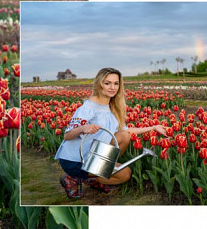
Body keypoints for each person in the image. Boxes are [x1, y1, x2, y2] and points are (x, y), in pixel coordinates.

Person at [54, 67, 169, 198]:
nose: (112, 87)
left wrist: (153, 127)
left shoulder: (111, 108)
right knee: (121, 171)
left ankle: (91, 179)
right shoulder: (88, 108)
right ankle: (73, 177)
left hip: (94, 156)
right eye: (107, 83)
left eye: (116, 83)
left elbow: (126, 131)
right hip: (75, 159)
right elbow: (67, 136)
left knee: (125, 149)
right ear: (99, 84)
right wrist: (83, 128)